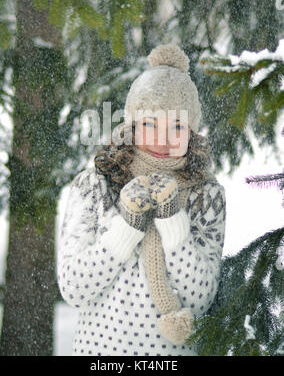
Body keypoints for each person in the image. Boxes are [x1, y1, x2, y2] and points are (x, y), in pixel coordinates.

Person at [57, 44, 227, 356]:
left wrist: (171, 219)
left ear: (191, 131)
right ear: (133, 125)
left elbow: (201, 299)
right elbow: (73, 288)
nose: (162, 140)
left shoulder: (207, 195)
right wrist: (128, 226)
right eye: (150, 124)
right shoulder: (95, 184)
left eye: (177, 126)